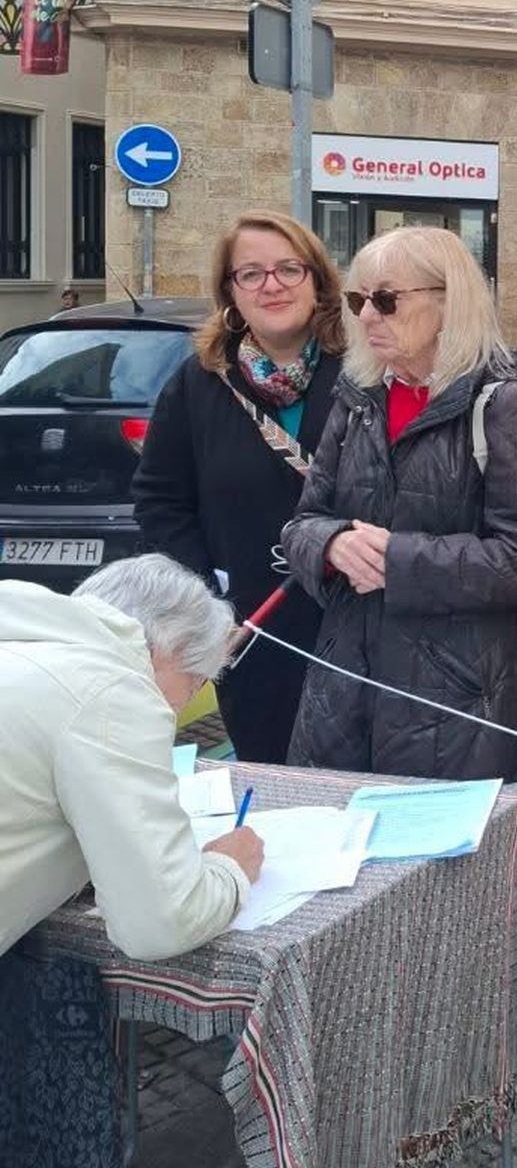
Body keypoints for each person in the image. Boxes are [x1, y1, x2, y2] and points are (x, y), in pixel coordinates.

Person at [282, 227, 517, 788]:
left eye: (386, 299)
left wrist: (398, 560)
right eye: (359, 300)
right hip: (343, 692)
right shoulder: (359, 394)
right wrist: (332, 543)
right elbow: (302, 523)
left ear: (448, 300)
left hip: (456, 705)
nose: (367, 317)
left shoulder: (502, 399)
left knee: (447, 873)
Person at [134, 211, 346, 762]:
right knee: (272, 779)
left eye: (288, 269)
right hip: (255, 628)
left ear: (317, 279)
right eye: (250, 273)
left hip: (354, 622)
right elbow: (160, 499)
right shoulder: (198, 382)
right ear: (230, 291)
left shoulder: (362, 373)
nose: (271, 285)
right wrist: (212, 589)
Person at [0, 553, 264, 960]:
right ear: (171, 650)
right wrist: (230, 870)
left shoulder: (24, 640)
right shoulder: (112, 687)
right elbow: (161, 926)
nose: (177, 712)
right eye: (194, 684)